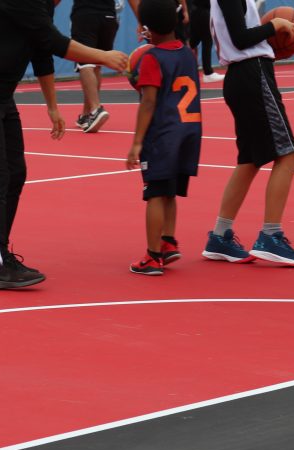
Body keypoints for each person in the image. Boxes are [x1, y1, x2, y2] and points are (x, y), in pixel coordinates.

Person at [0, 0, 127, 289]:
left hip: (0, 96)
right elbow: (57, 43)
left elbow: (43, 52)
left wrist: (53, 107)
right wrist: (104, 56)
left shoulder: (41, 6)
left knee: (15, 173)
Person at [200, 0, 294, 265]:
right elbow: (240, 39)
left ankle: (220, 235)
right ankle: (271, 236)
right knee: (288, 155)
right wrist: (274, 25)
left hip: (241, 76)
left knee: (249, 161)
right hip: (252, 73)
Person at [125, 0, 202, 275]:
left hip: (163, 135)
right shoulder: (187, 54)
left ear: (148, 29)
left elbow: (148, 102)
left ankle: (153, 255)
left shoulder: (151, 58)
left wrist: (136, 143)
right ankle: (168, 241)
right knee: (170, 191)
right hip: (189, 132)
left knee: (155, 193)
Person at [71, 0, 120, 132]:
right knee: (97, 63)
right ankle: (86, 115)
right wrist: (140, 20)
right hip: (109, 17)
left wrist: (46, 11)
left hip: (85, 15)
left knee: (84, 62)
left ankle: (95, 109)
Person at [187, 0, 221, 82]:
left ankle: (207, 72)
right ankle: (208, 73)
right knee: (206, 40)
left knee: (194, 40)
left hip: (197, 10)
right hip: (201, 10)